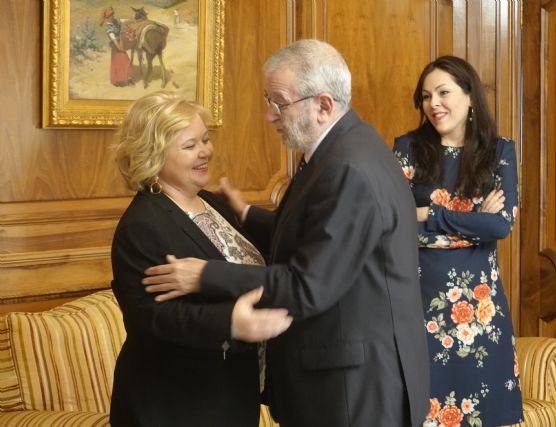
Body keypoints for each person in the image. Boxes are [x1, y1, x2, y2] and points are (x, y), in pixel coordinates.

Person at [142, 39, 430, 427]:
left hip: (352, 390)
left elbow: (309, 285)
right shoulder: (342, 150)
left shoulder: (347, 169)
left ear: (323, 105)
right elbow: (316, 235)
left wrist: (204, 275)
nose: (269, 115)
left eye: (279, 103)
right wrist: (245, 214)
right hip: (347, 380)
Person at [109, 91, 292, 427]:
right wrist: (230, 323)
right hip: (174, 403)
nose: (206, 151)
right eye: (190, 145)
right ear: (154, 155)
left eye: (205, 140)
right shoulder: (141, 225)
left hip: (229, 393)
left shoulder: (212, 203)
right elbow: (154, 316)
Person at [393, 56, 524, 426]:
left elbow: (500, 226)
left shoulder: (500, 152)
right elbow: (392, 220)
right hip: (419, 307)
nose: (433, 103)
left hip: (481, 315)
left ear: (470, 96)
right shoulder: (408, 149)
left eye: (443, 92)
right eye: (426, 95)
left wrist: (429, 215)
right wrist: (472, 223)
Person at [99, 6, 133, 87]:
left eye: (113, 15)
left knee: (125, 61)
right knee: (119, 63)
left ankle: (127, 79)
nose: (113, 16)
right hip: (116, 47)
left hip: (120, 43)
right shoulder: (108, 27)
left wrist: (131, 20)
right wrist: (120, 48)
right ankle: (118, 80)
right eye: (111, 15)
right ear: (107, 17)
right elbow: (113, 39)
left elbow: (123, 20)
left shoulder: (115, 21)